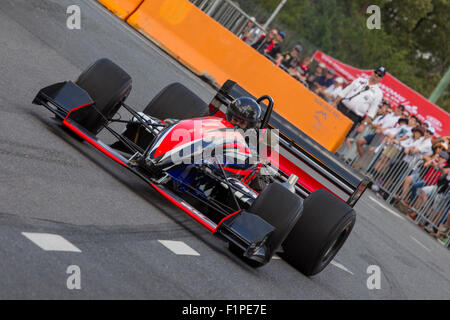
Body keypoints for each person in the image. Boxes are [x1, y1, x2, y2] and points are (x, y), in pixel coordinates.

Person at [333, 67, 385, 134]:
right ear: (373, 72)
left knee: (340, 136)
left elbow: (371, 112)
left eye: (379, 75)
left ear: (381, 78)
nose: (376, 75)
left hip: (353, 117)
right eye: (376, 72)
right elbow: (344, 92)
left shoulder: (378, 93)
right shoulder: (359, 80)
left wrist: (363, 125)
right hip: (341, 108)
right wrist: (334, 103)